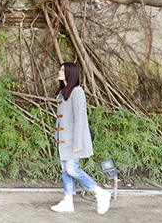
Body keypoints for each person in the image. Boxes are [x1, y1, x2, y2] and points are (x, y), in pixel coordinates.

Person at [50, 62, 111, 215]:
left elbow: (80, 119)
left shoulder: (77, 92)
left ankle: (99, 192)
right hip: (63, 140)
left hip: (72, 141)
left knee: (71, 168)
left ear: (71, 73)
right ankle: (68, 201)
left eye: (63, 70)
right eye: (60, 69)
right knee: (65, 170)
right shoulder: (62, 92)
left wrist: (77, 143)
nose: (59, 72)